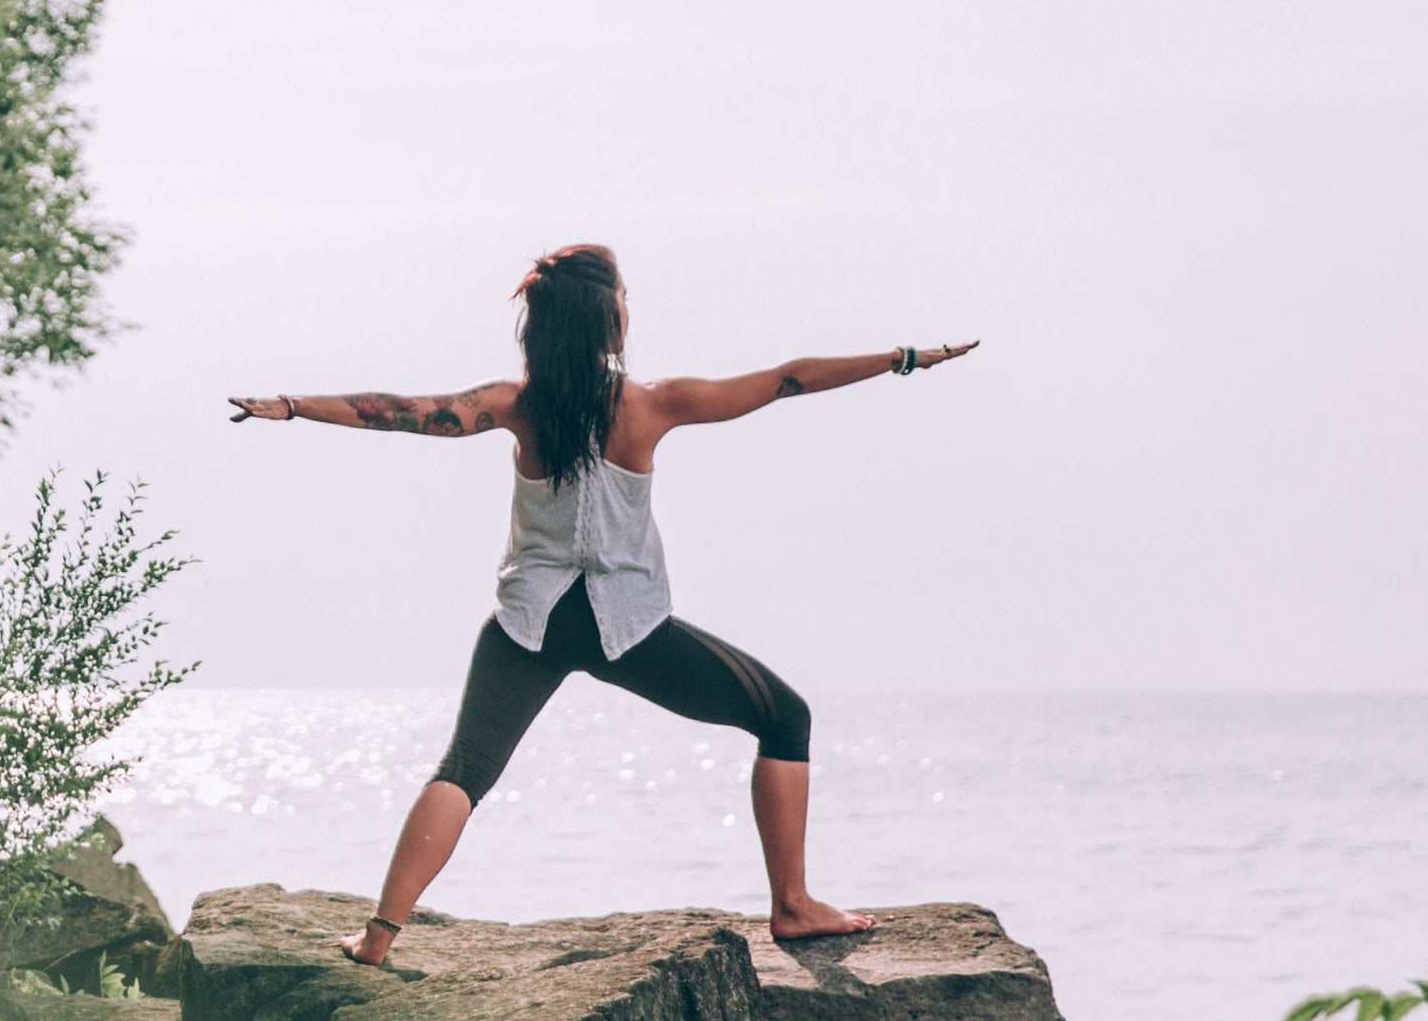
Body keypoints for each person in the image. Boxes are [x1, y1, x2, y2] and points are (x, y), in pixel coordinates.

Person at [227, 244, 976, 967]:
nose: (629, 311)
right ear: (608, 323)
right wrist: (901, 359)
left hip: (531, 623)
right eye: (623, 302)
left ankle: (378, 939)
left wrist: (294, 407)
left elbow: (402, 411)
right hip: (628, 629)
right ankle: (793, 904)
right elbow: (787, 379)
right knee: (784, 717)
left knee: (464, 769)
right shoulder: (652, 405)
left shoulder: (515, 406)